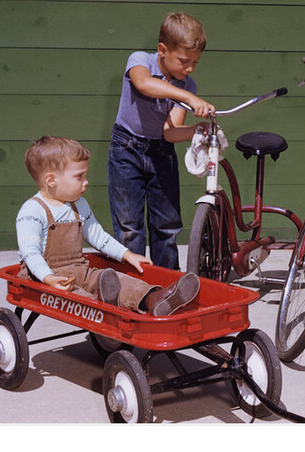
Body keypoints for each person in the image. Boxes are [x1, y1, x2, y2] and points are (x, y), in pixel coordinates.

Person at [16, 136, 200, 317]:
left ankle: (154, 299)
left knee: (118, 280)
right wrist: (48, 278)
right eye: (79, 176)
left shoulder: (78, 205)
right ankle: (105, 308)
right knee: (80, 298)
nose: (86, 181)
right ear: (51, 180)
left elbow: (99, 236)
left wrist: (127, 255)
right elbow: (31, 253)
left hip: (80, 269)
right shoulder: (32, 211)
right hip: (45, 276)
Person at [107, 12, 215, 271]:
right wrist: (189, 99)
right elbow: (144, 84)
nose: (189, 69)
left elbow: (170, 131)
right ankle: (130, 284)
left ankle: (167, 283)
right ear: (162, 50)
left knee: (166, 226)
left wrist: (195, 129)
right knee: (129, 227)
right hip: (126, 150)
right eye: (184, 61)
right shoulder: (140, 60)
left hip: (161, 153)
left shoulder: (187, 85)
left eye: (195, 63)